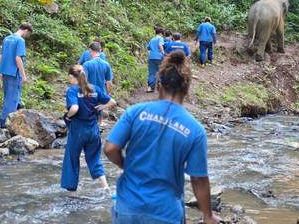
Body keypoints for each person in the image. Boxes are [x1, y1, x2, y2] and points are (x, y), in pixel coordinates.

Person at [104, 51, 220, 224]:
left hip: (128, 208)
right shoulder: (195, 130)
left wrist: (125, 164)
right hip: (165, 213)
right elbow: (198, 178)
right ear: (186, 88)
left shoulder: (135, 112)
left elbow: (110, 148)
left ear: (159, 84)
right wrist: (208, 216)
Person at [61, 65, 116, 193]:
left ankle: (71, 192)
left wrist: (68, 116)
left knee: (72, 159)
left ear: (71, 76)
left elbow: (74, 108)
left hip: (78, 131)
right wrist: (102, 107)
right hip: (93, 131)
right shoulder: (94, 89)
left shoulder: (73, 91)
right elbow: (112, 102)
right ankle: (106, 186)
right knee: (94, 158)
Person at [0, 23, 33, 128]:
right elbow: (18, 58)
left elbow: (0, 56)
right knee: (12, 99)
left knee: (9, 97)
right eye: (28, 34)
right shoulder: (20, 40)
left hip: (5, 72)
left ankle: (12, 119)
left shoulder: (7, 38)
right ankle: (4, 123)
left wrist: (0, 71)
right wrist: (23, 75)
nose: (27, 36)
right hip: (14, 73)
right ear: (26, 30)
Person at [83, 41, 114, 125]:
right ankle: (101, 122)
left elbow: (84, 80)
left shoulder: (86, 64)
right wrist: (108, 93)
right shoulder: (106, 64)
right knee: (100, 107)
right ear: (100, 50)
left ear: (90, 51)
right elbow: (109, 81)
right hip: (101, 91)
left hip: (90, 92)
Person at [146, 28, 165, 93]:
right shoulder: (160, 38)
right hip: (159, 57)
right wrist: (163, 53)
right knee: (161, 71)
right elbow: (160, 45)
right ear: (160, 33)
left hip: (151, 57)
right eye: (162, 34)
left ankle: (150, 87)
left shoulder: (152, 39)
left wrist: (150, 54)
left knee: (152, 72)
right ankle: (160, 86)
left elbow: (148, 48)